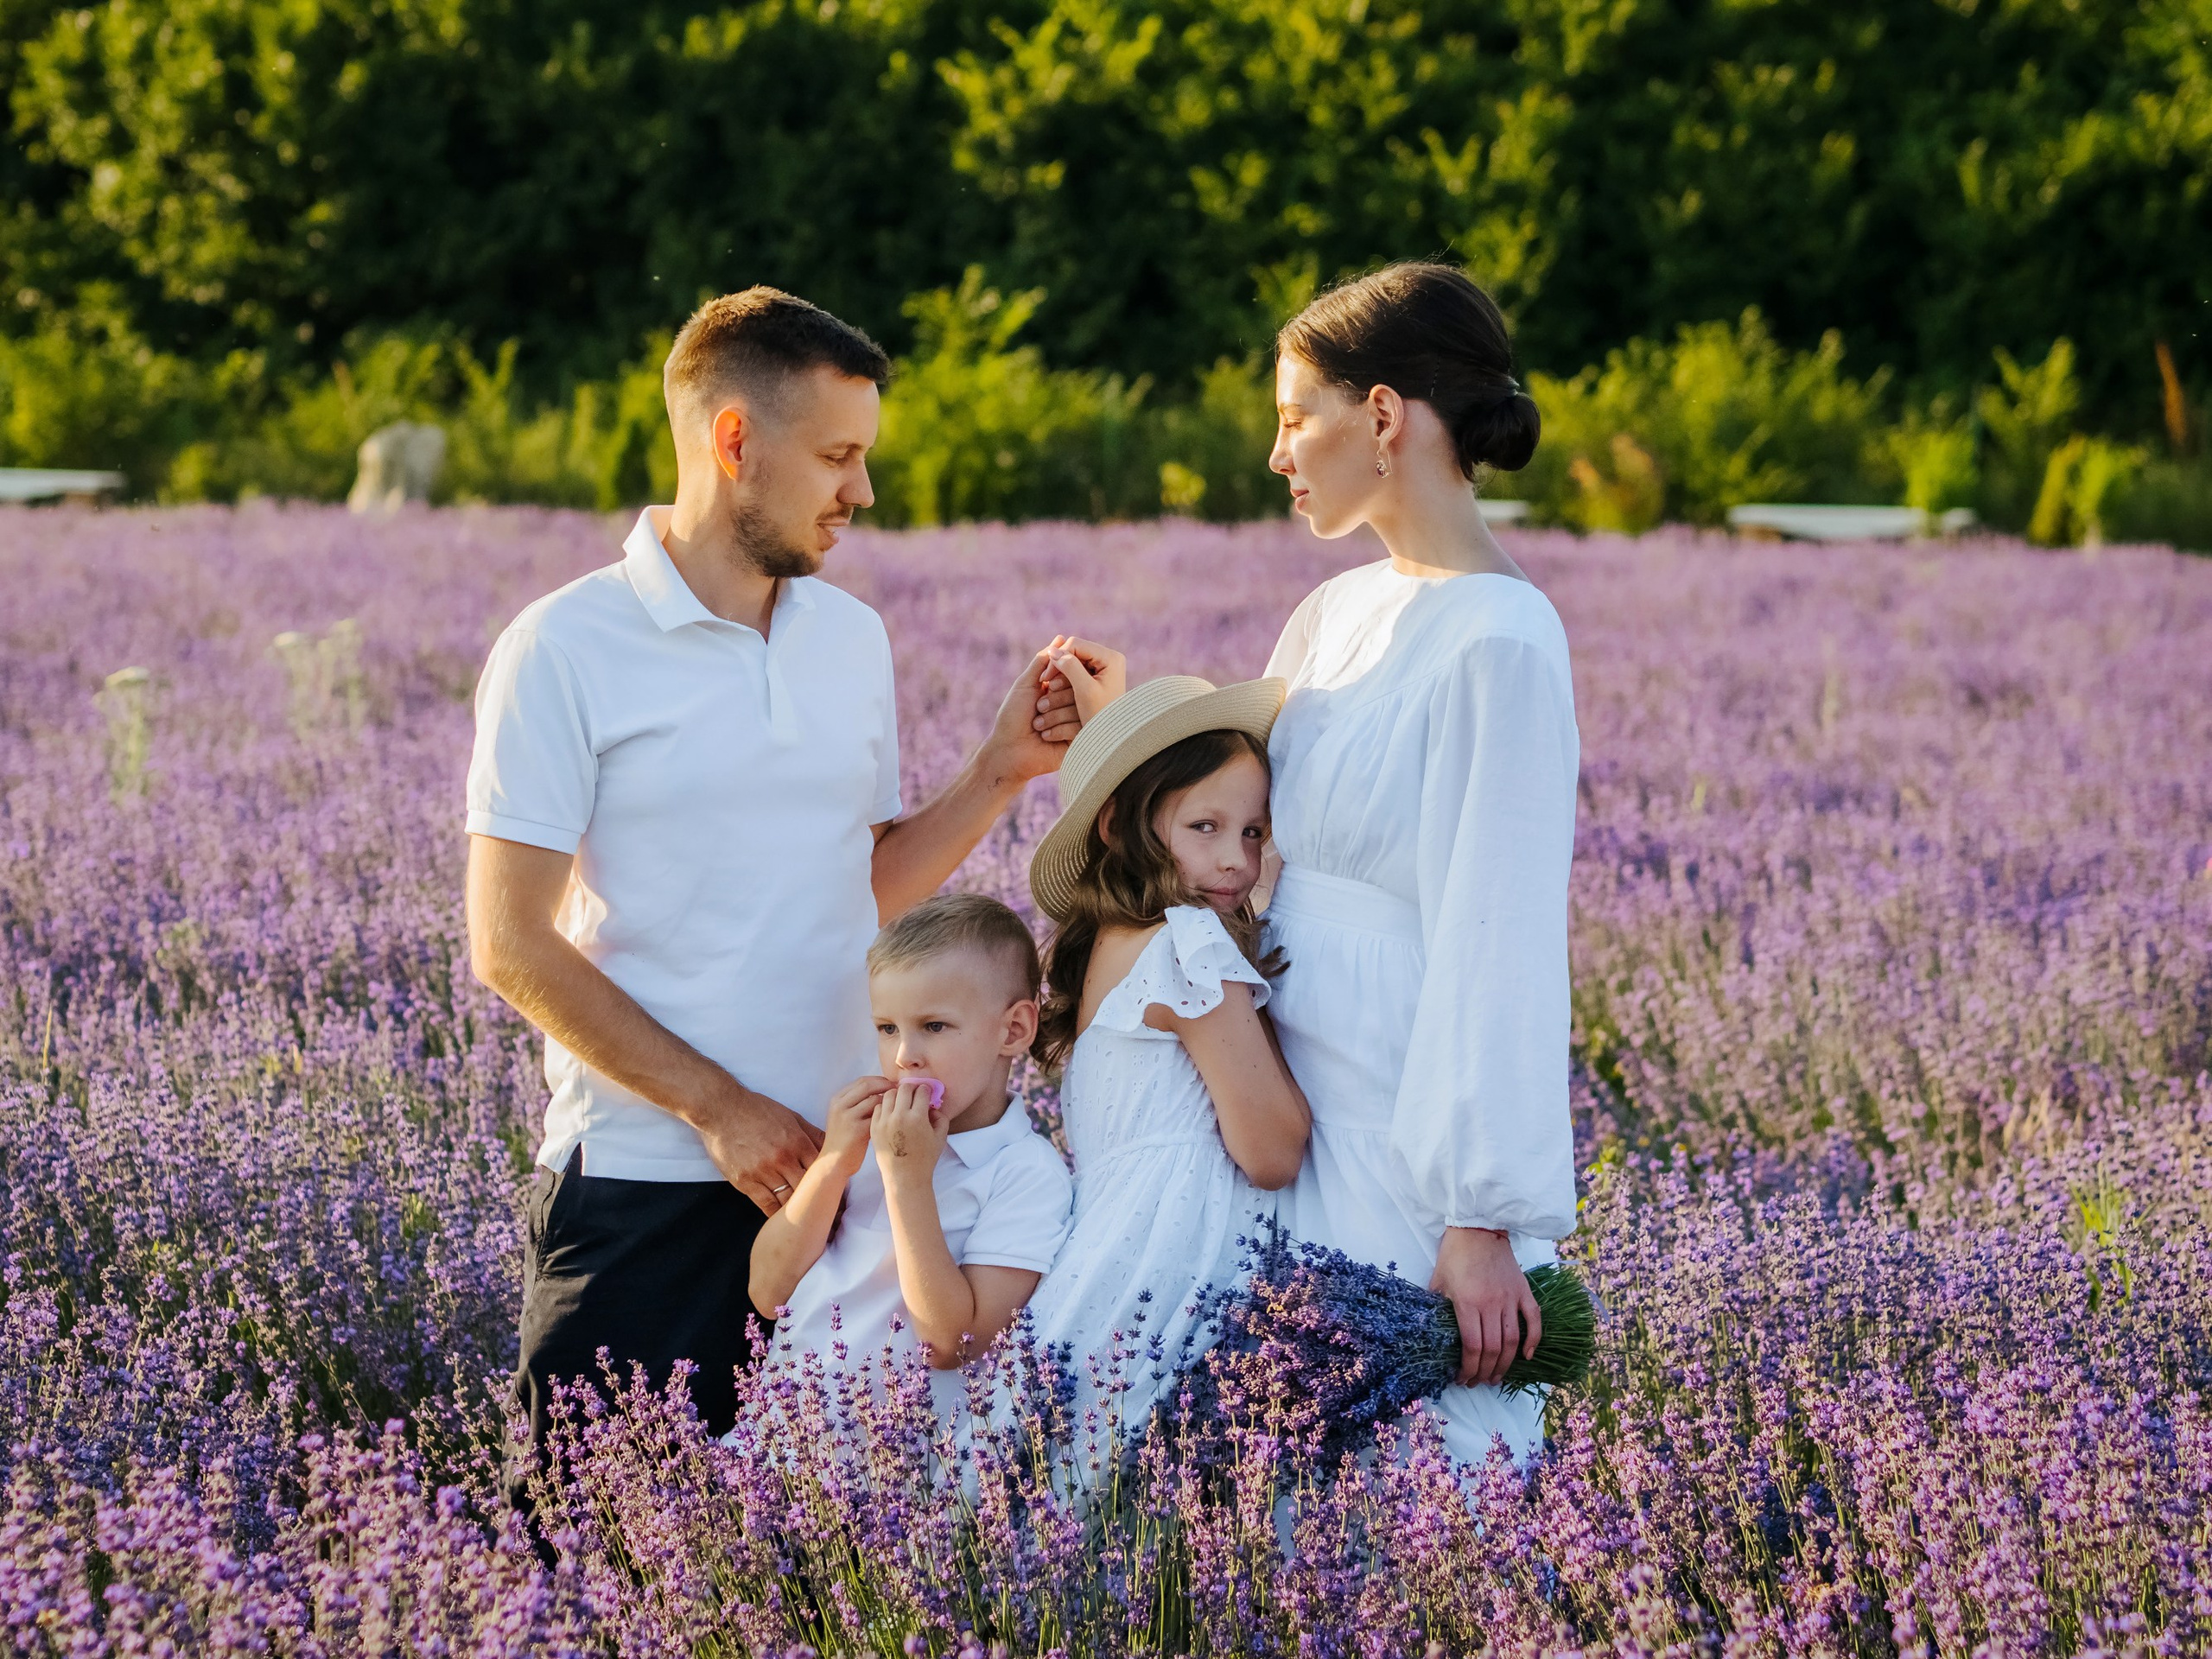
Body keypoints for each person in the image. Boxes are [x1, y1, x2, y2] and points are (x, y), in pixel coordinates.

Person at [463, 287, 1116, 1485]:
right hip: (645, 1189)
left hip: (845, 1201)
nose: (861, 493)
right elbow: (509, 944)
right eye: (837, 457)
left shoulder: (849, 639)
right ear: (732, 444)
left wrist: (996, 773)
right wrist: (720, 1109)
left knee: (814, 1576)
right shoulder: (561, 648)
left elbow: (855, 888)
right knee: (590, 1557)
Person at [1260, 261, 1579, 1469]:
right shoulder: (1334, 614)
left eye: (1298, 418)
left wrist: (1480, 1217)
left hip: (1407, 1109)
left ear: (1383, 416)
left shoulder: (1501, 637)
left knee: (1421, 1471)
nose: (1279, 456)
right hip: (1293, 1094)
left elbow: (1494, 938)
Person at [1020, 675, 1311, 1457]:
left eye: (1255, 832)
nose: (1237, 861)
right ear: (1122, 826)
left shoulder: (1107, 951)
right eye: (1205, 826)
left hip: (1107, 1257)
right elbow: (1274, 1152)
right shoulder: (1191, 944)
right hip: (1180, 1258)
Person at [751, 893, 1073, 1419]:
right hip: (786, 1452)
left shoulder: (1025, 1174)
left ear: (1013, 1030)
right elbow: (768, 1293)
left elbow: (954, 1343)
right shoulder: (863, 1144)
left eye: (934, 1026)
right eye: (887, 1028)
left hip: (901, 1472)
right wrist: (832, 1163)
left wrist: (906, 1180)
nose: (905, 1055)